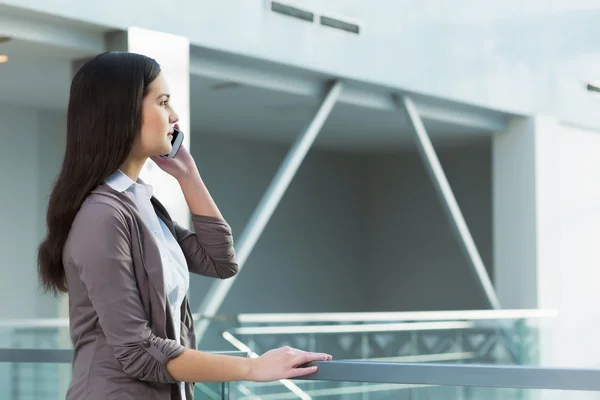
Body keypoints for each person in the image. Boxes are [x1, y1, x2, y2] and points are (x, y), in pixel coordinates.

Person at [37, 51, 332, 400]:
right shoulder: (102, 215)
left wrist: (189, 176)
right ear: (123, 114)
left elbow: (220, 261)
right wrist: (252, 368)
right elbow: (136, 350)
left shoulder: (140, 204)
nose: (174, 116)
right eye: (163, 103)